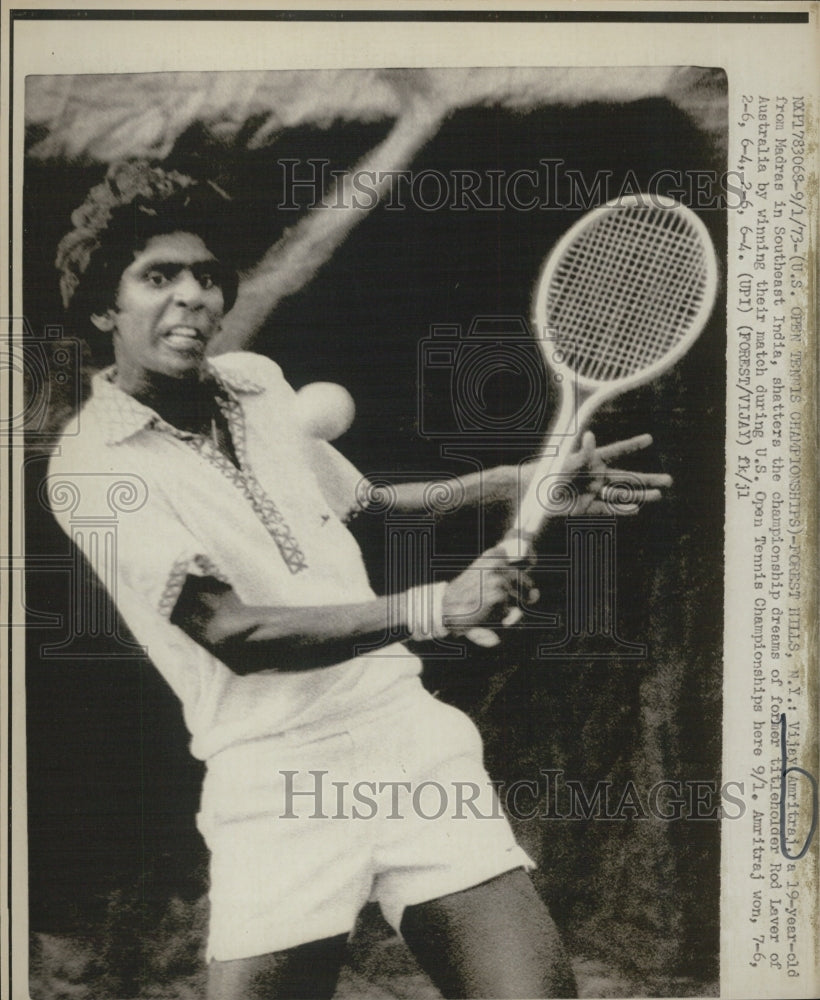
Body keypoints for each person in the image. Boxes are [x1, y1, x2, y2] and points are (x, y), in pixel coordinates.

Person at [50, 162, 671, 1000]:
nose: (193, 295)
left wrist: (519, 482)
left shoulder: (258, 385)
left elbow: (369, 508)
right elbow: (235, 632)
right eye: (157, 276)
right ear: (103, 307)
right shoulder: (90, 467)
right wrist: (433, 606)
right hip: (275, 779)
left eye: (206, 275)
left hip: (405, 743)